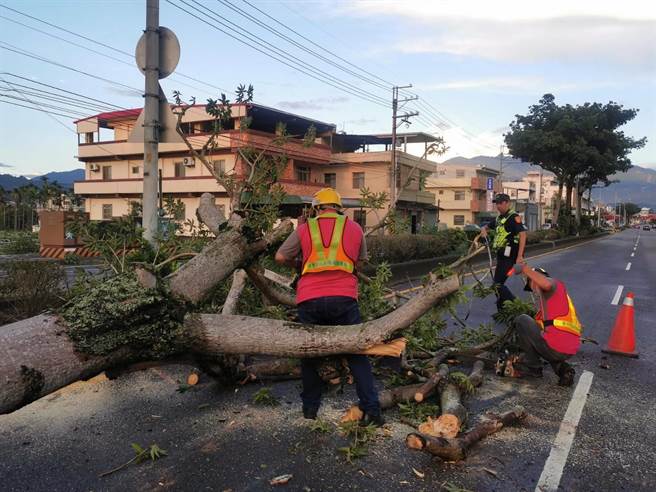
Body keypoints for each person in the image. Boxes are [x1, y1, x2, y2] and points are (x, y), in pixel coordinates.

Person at [275, 188, 383, 425]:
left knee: (310, 355)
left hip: (310, 299)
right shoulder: (355, 229)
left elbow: (280, 257)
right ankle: (372, 410)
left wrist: (301, 264)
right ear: (338, 207)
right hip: (344, 298)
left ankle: (310, 410)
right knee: (357, 354)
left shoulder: (305, 229)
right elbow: (361, 262)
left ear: (316, 208)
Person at [512, 265, 580, 386]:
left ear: (535, 280)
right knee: (547, 339)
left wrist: (525, 269)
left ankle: (532, 367)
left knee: (522, 320)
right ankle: (563, 370)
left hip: (557, 346)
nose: (533, 291)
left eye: (531, 285)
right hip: (568, 348)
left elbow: (547, 284)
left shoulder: (551, 284)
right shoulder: (560, 299)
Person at [480, 193, 528, 311]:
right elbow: (486, 227)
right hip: (501, 256)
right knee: (497, 285)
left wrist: (520, 257)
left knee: (497, 285)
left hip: (510, 257)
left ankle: (517, 307)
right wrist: (483, 230)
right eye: (496, 203)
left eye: (500, 203)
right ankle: (502, 311)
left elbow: (522, 235)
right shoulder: (498, 218)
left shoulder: (513, 217)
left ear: (507, 203)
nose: (498, 206)